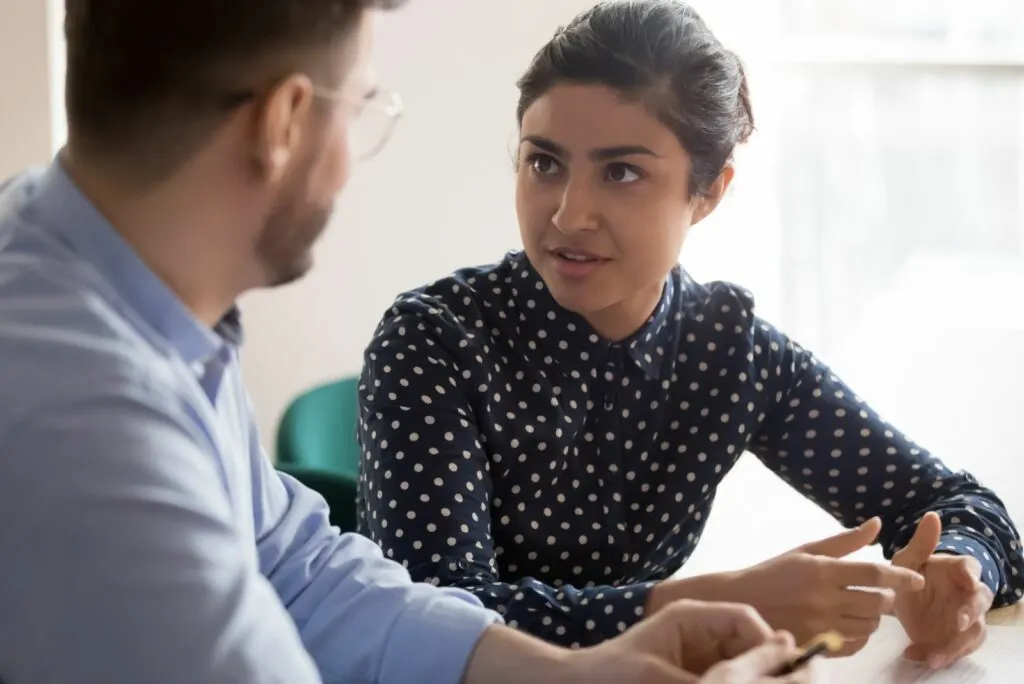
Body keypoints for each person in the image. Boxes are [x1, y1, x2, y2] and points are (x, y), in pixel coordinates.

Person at [0, 1, 822, 683]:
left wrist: (573, 673)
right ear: (285, 120)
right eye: (360, 108)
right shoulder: (86, 424)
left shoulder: (123, 301)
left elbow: (301, 570)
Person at [356, 0, 1024, 669]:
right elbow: (430, 618)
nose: (568, 213)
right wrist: (720, 603)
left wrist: (959, 576)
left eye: (621, 172)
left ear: (707, 192)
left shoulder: (729, 354)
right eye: (545, 163)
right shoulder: (432, 342)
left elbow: (959, 505)